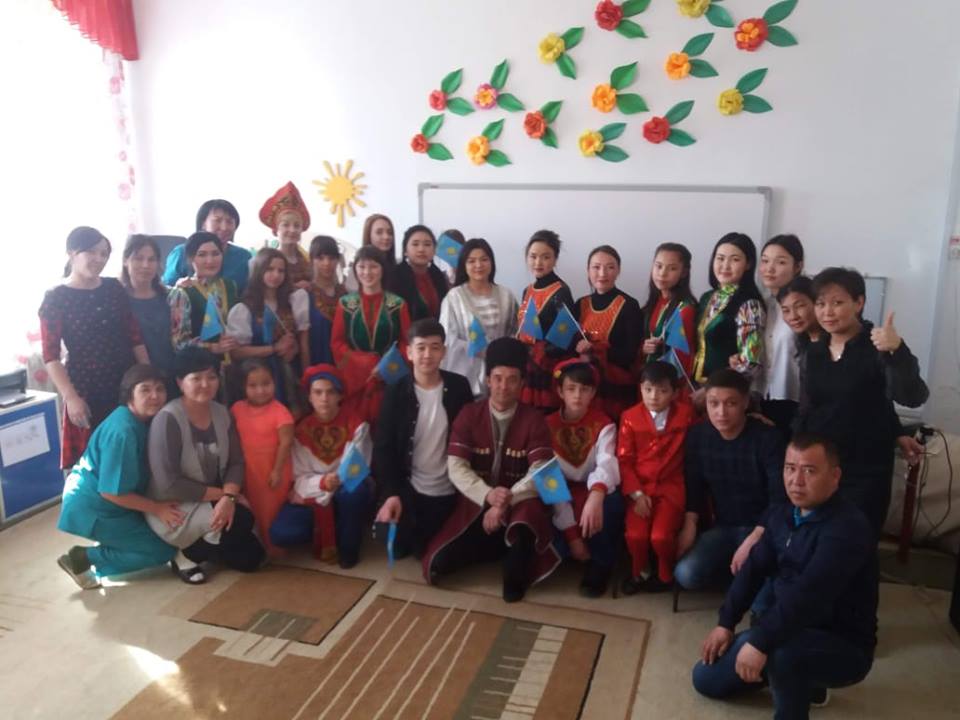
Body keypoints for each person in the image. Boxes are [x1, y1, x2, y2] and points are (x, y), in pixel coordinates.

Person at [692, 434, 878, 720]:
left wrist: (761, 642)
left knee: (781, 654)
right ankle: (806, 684)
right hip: (791, 625)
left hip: (842, 642)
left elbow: (810, 595)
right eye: (790, 468)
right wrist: (725, 622)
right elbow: (754, 569)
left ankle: (797, 687)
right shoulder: (784, 514)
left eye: (809, 471)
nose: (796, 481)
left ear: (835, 476)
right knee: (705, 678)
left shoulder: (847, 529)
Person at [424, 337, 560, 602]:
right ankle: (496, 546)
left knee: (521, 545)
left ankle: (511, 558)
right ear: (487, 380)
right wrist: (487, 495)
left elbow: (542, 472)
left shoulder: (535, 420)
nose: (503, 387)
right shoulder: (469, 414)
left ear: (522, 383)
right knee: (439, 564)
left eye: (512, 380)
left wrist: (503, 501)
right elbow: (456, 467)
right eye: (497, 378)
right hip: (478, 501)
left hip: (520, 502)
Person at [795, 267, 928, 536]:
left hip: (865, 468)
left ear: (859, 303)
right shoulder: (814, 351)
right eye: (820, 304)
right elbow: (810, 407)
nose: (827, 312)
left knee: (854, 540)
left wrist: (897, 350)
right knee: (814, 539)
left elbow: (912, 396)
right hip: (820, 464)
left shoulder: (878, 347)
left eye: (837, 302)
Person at [147, 347, 265, 584]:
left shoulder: (222, 413)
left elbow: (236, 462)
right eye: (196, 378)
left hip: (213, 498)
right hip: (176, 504)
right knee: (242, 519)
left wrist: (228, 498)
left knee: (252, 559)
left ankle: (211, 545)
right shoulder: (168, 419)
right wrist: (226, 496)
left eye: (211, 377)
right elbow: (169, 483)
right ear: (180, 382)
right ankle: (185, 555)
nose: (205, 384)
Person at [56, 365, 178, 589]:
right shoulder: (123, 432)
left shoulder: (139, 420)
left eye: (160, 389)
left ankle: (112, 543)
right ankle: (84, 558)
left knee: (161, 535)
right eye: (145, 390)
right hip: (94, 506)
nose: (154, 396)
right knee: (162, 551)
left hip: (110, 501)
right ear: (129, 394)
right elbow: (111, 492)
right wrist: (157, 508)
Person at [40, 226, 148, 468]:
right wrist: (71, 397)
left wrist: (147, 373)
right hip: (86, 387)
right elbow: (50, 355)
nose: (99, 259)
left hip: (125, 381)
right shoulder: (56, 297)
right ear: (71, 253)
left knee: (132, 449)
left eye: (104, 254)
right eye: (91, 252)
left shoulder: (113, 288)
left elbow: (134, 336)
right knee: (95, 459)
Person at [674, 369, 786, 592]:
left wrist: (755, 537)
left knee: (766, 592)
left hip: (763, 527)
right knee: (685, 574)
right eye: (713, 403)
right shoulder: (699, 436)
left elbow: (779, 497)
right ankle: (738, 573)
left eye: (731, 403)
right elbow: (694, 485)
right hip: (724, 526)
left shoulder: (767, 438)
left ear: (745, 403)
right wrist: (690, 524)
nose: (721, 412)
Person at [374, 319, 474, 558]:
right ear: (409, 352)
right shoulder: (396, 391)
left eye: (434, 347)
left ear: (444, 352)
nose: (427, 354)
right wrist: (390, 493)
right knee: (395, 548)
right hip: (410, 488)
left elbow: (471, 439)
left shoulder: (459, 387)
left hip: (449, 489)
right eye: (421, 348)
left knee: (433, 556)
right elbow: (384, 447)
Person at [270, 364, 372, 567]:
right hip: (314, 492)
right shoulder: (301, 431)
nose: (324, 398)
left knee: (354, 493)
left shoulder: (357, 425)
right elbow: (299, 476)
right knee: (281, 534)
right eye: (318, 392)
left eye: (330, 392)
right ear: (309, 396)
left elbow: (358, 467)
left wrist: (334, 481)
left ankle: (348, 547)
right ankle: (331, 523)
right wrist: (322, 483)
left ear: (339, 395)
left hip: (344, 488)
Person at [545, 359, 624, 597]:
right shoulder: (546, 426)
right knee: (557, 544)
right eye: (571, 388)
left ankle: (601, 562)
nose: (577, 395)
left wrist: (596, 495)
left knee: (610, 503)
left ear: (593, 393)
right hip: (561, 496)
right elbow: (549, 480)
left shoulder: (604, 424)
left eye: (584, 389)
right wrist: (572, 536)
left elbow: (606, 463)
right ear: (560, 391)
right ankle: (573, 546)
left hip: (593, 491)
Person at [618, 361, 696, 594]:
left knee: (661, 537)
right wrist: (637, 494)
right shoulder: (630, 417)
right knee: (636, 535)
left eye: (662, 390)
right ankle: (640, 572)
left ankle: (665, 572)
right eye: (648, 389)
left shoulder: (686, 415)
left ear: (674, 393)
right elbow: (624, 460)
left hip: (671, 488)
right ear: (640, 388)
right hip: (639, 487)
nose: (654, 396)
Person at [331, 245, 411, 422]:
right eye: (362, 267)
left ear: (383, 270)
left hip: (389, 379)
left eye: (373, 266)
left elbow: (406, 343)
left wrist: (385, 367)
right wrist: (364, 362)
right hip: (356, 380)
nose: (367, 272)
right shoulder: (345, 304)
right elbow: (337, 344)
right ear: (355, 269)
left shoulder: (398, 304)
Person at [227, 248, 310, 413]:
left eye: (281, 271)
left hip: (289, 373)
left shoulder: (292, 301)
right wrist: (274, 349)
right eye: (270, 269)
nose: (276, 275)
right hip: (258, 379)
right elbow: (236, 352)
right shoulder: (244, 308)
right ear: (259, 270)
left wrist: (294, 348)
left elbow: (301, 340)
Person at [439, 238, 519, 395]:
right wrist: (479, 350)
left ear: (491, 262)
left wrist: (501, 351)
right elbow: (448, 338)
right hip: (466, 372)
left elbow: (516, 330)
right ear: (464, 265)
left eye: (484, 259)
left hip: (502, 372)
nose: (478, 265)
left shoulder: (506, 295)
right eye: (471, 261)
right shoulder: (454, 297)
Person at [230, 360, 294, 556]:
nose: (260, 390)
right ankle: (259, 544)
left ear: (274, 382)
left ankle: (275, 546)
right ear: (243, 386)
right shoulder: (237, 409)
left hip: (273, 469)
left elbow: (286, 443)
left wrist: (276, 471)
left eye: (266, 383)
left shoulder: (280, 411)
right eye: (253, 385)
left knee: (271, 509)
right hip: (249, 469)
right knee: (254, 507)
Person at [573, 245, 642, 420]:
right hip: (583, 385)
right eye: (596, 267)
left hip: (614, 388)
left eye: (610, 267)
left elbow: (630, 355)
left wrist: (595, 349)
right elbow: (569, 344)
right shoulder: (580, 304)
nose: (602, 273)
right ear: (588, 271)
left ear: (618, 271)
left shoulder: (629, 305)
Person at [692, 233, 765, 387]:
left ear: (748, 264)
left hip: (725, 390)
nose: (725, 265)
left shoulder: (749, 304)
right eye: (720, 258)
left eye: (735, 259)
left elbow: (750, 362)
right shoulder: (707, 298)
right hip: (694, 385)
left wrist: (711, 389)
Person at [517, 230, 576, 412]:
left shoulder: (561, 292)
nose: (538, 263)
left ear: (555, 259)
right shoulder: (527, 290)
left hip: (548, 369)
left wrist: (539, 352)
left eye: (545, 257)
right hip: (526, 366)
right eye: (533, 256)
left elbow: (566, 339)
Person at [758, 236, 805, 435]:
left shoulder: (807, 306)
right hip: (763, 399)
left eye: (780, 262)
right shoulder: (762, 304)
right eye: (765, 260)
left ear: (798, 266)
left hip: (796, 400)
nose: (769, 268)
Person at [167, 231, 240, 357]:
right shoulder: (183, 292)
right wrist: (212, 347)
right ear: (191, 258)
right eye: (202, 255)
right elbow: (178, 342)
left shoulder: (230, 286)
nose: (210, 261)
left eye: (215, 254)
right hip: (201, 364)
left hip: (235, 360)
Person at [122, 234, 175, 391]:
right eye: (138, 259)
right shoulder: (117, 300)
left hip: (172, 374)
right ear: (125, 261)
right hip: (136, 381)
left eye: (151, 260)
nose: (146, 265)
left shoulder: (171, 297)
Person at [162, 199, 251, 293]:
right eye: (217, 220)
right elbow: (165, 290)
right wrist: (177, 288)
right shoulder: (181, 253)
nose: (224, 227)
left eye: (229, 222)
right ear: (203, 224)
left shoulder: (243, 257)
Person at [640, 243, 698, 377]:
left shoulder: (685, 309)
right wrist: (643, 349)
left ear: (684, 273)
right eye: (658, 266)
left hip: (666, 382)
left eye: (672, 268)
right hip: (648, 378)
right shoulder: (653, 303)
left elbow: (681, 357)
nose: (662, 273)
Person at [388, 225, 450, 321]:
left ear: (434, 251)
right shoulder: (395, 277)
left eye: (427, 244)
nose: (421, 249)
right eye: (415, 244)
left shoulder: (438, 275)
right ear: (405, 251)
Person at [259, 181, 312, 290]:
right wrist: (294, 287)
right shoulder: (267, 260)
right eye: (286, 225)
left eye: (297, 225)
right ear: (276, 229)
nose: (292, 230)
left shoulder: (307, 259)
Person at [307, 235, 347, 365]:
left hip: (344, 364)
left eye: (331, 258)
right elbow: (303, 342)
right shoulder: (305, 295)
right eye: (320, 258)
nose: (326, 263)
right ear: (312, 260)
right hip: (316, 365)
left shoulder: (345, 294)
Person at [346, 213, 397, 292]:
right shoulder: (357, 267)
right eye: (379, 232)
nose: (386, 237)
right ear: (368, 235)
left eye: (390, 233)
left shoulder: (398, 266)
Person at [777, 275, 822, 347]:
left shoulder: (835, 343)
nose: (793, 317)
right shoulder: (803, 344)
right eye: (786, 310)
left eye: (799, 306)